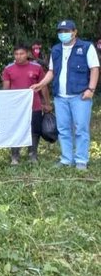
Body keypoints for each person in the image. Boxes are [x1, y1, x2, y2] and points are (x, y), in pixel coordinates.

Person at [31, 20, 99, 170]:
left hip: (80, 95)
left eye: (66, 31)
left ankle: (81, 160)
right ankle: (66, 159)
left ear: (75, 32)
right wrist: (41, 84)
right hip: (60, 97)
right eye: (60, 32)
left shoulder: (86, 47)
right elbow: (51, 71)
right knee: (63, 129)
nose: (63, 34)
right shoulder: (56, 49)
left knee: (80, 128)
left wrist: (91, 89)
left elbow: (94, 68)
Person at [2, 44, 52, 164]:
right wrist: (5, 104)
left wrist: (46, 103)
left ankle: (32, 155)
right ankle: (15, 156)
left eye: (21, 54)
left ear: (27, 54)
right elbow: (6, 89)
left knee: (34, 130)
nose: (19, 56)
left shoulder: (37, 68)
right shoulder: (8, 69)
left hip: (34, 105)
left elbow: (43, 86)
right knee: (15, 130)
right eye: (16, 54)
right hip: (15, 107)